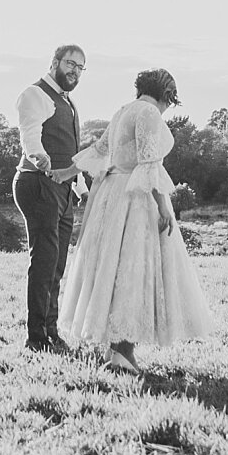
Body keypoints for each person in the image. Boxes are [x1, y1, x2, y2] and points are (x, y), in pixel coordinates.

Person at [54, 68, 214, 373]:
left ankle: (115, 351)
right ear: (167, 94)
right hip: (134, 197)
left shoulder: (122, 111)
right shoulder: (149, 114)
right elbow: (148, 161)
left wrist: (65, 173)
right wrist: (163, 205)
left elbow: (100, 151)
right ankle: (122, 353)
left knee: (112, 270)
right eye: (171, 99)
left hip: (110, 195)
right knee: (133, 272)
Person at [13, 45, 88, 354]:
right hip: (38, 182)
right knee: (44, 261)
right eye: (71, 64)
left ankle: (51, 331)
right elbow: (29, 133)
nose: (75, 71)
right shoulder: (35, 94)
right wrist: (39, 156)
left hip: (63, 188)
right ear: (55, 62)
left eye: (81, 68)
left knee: (56, 265)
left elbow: (70, 151)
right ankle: (36, 337)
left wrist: (82, 188)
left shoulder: (67, 102)